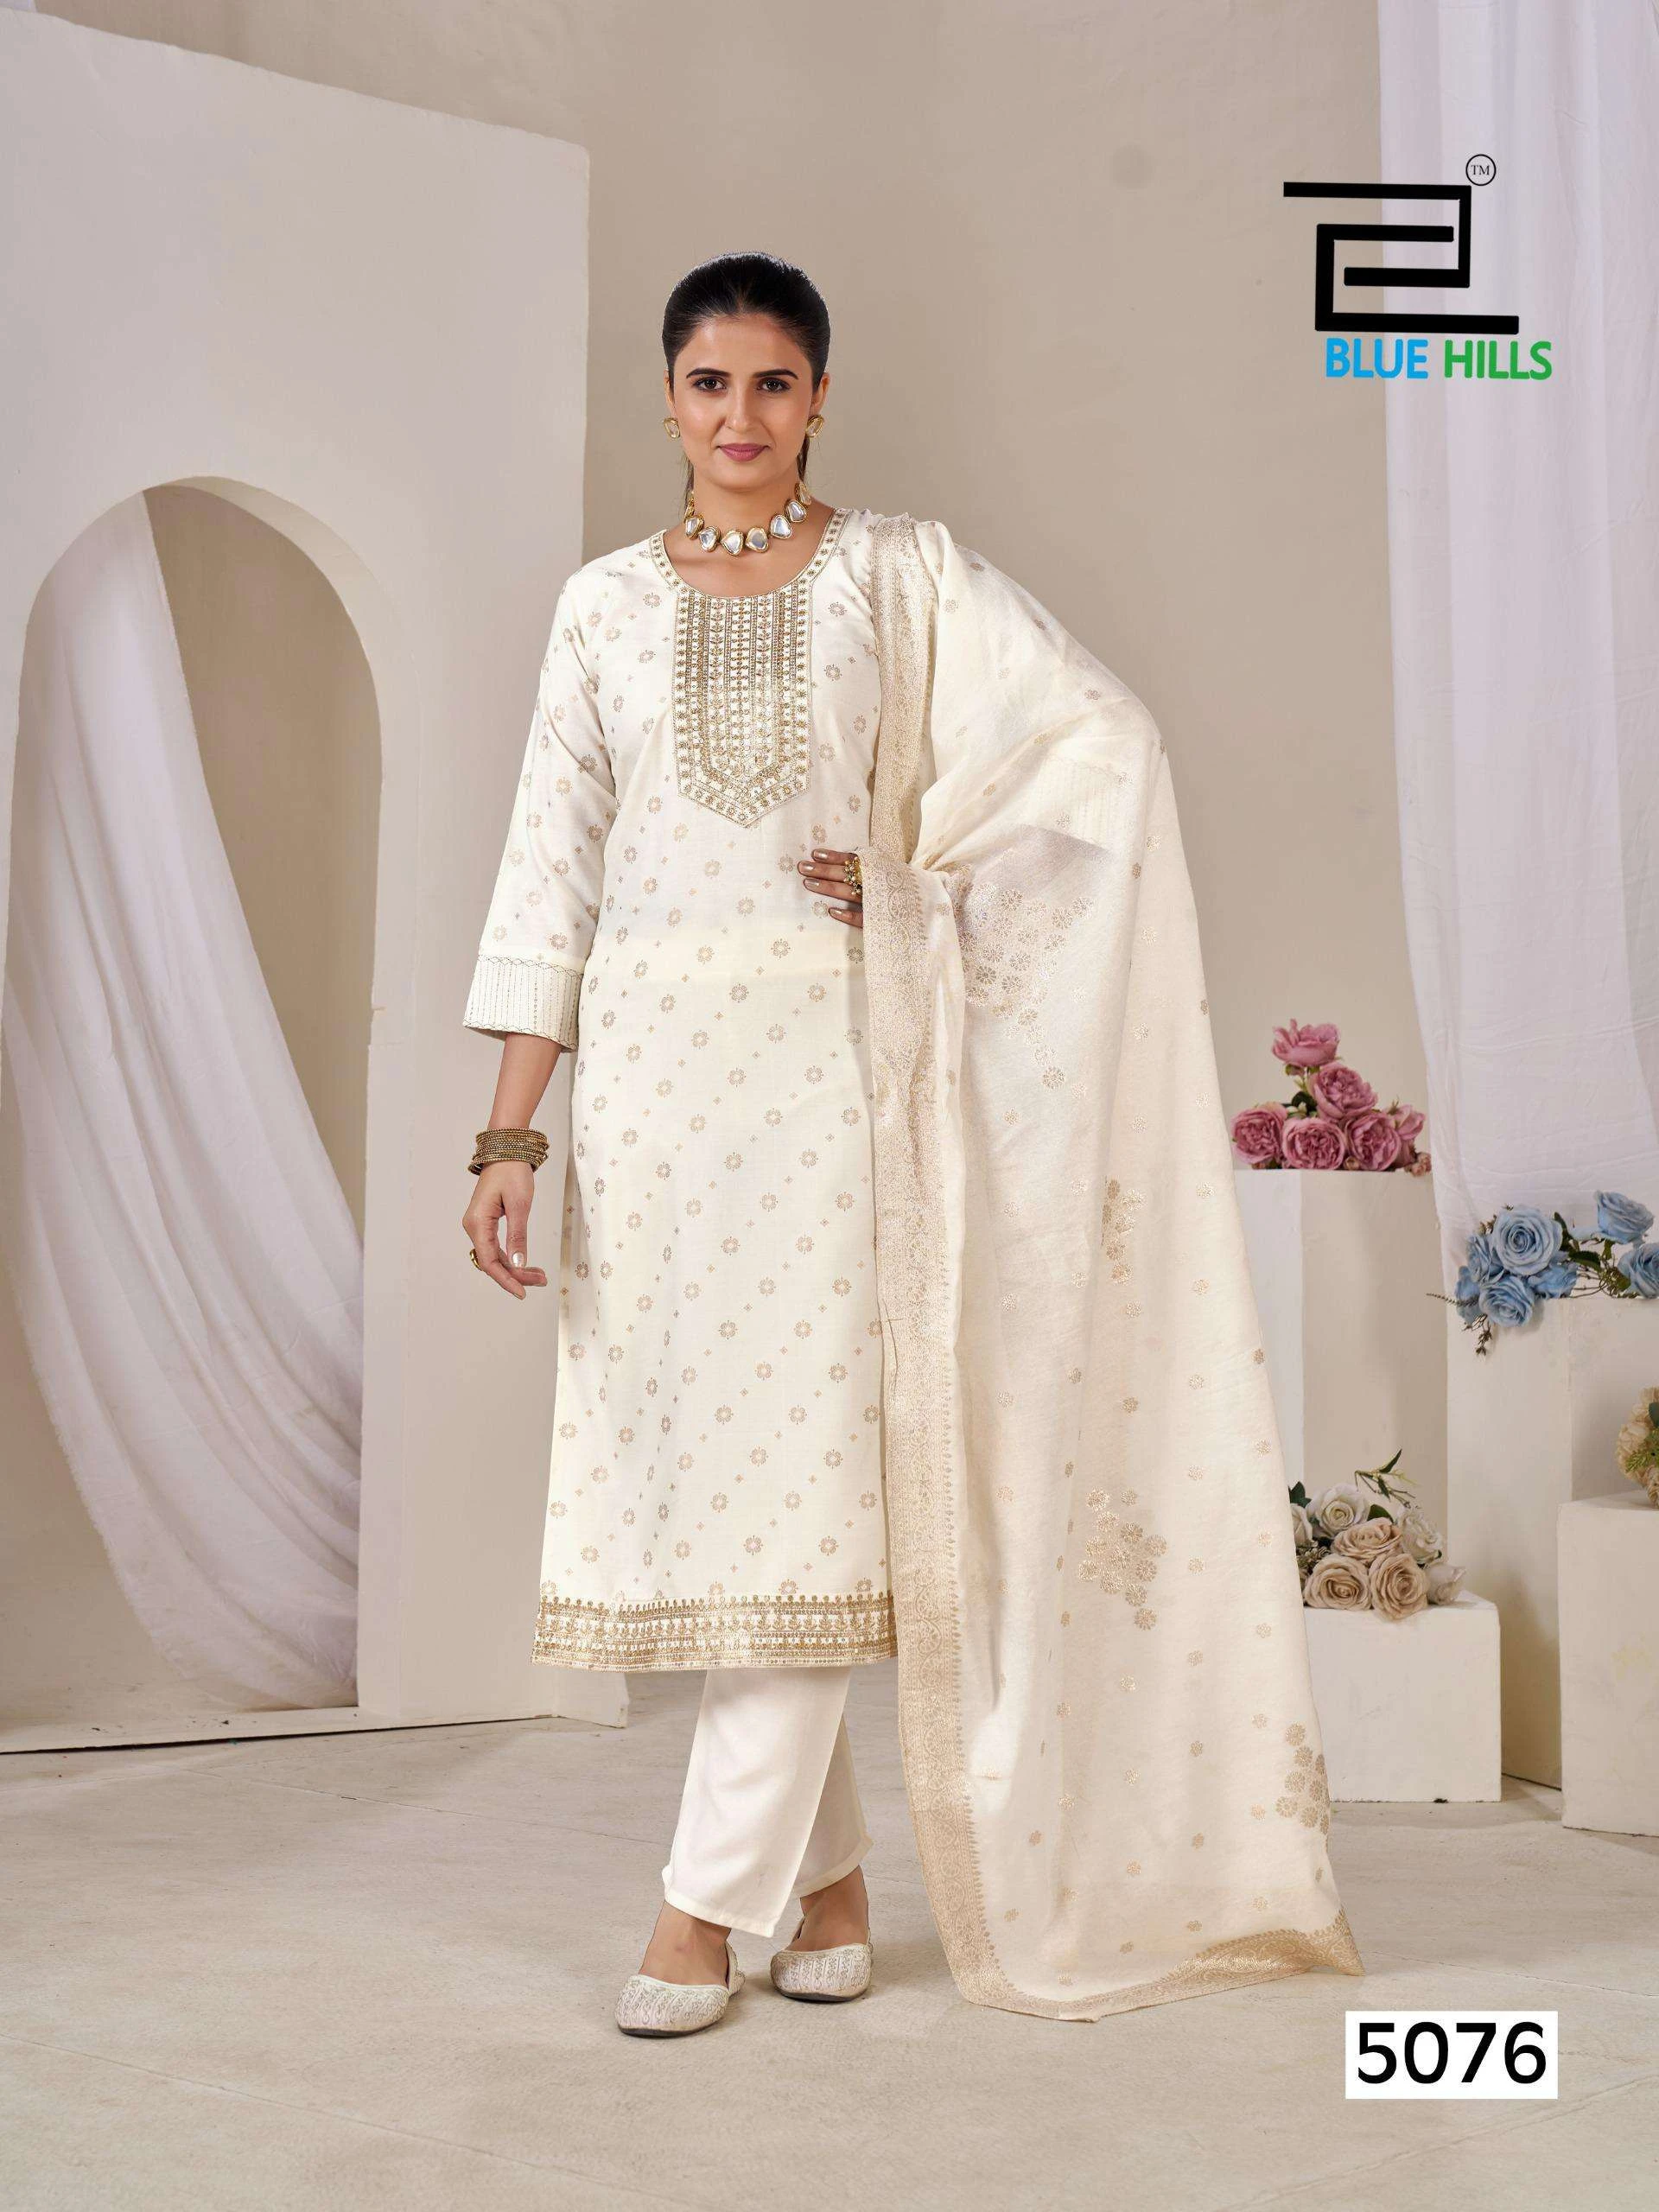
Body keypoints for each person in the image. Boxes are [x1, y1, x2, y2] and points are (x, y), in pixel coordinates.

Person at [461, 251, 1363, 2037]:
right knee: (724, 1494)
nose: (739, 416)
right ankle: (830, 1882)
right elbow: (547, 875)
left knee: (808, 1475)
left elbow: (1099, 747)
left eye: (773, 383)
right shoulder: (601, 609)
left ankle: (695, 1910)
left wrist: (922, 894)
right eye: (709, 383)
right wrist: (510, 1133)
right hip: (651, 1097)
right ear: (666, 397)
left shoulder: (901, 576)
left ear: (819, 399)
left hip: (833, 1087)